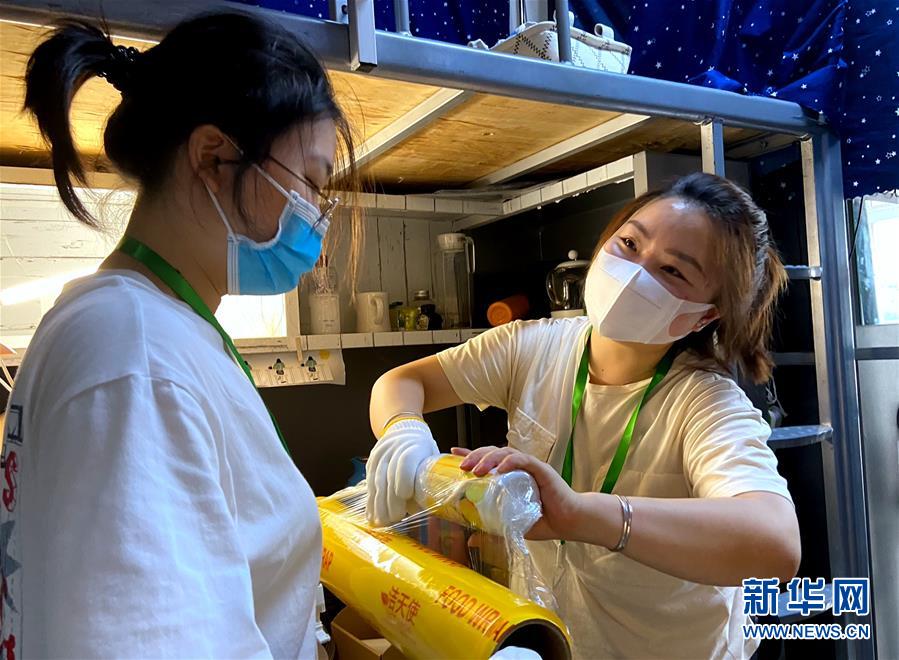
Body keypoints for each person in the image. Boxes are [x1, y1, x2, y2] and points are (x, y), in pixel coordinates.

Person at [1, 12, 359, 658]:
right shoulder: (136, 358)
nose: (317, 215)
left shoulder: (144, 327)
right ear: (213, 157)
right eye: (310, 182)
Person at [367, 173, 802, 659]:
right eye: (630, 243)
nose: (634, 271)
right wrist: (404, 431)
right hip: (555, 643)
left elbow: (774, 543)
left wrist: (582, 515)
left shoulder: (705, 401)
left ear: (703, 316)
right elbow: (403, 383)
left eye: (671, 270)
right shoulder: (530, 346)